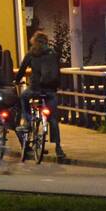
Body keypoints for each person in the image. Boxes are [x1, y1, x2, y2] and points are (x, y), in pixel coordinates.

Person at [14, 31, 65, 159]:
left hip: (35, 88)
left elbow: (22, 70)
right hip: (50, 90)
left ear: (34, 42)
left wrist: (16, 80)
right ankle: (58, 148)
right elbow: (57, 71)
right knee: (53, 119)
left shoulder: (31, 54)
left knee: (23, 97)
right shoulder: (53, 53)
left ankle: (27, 120)